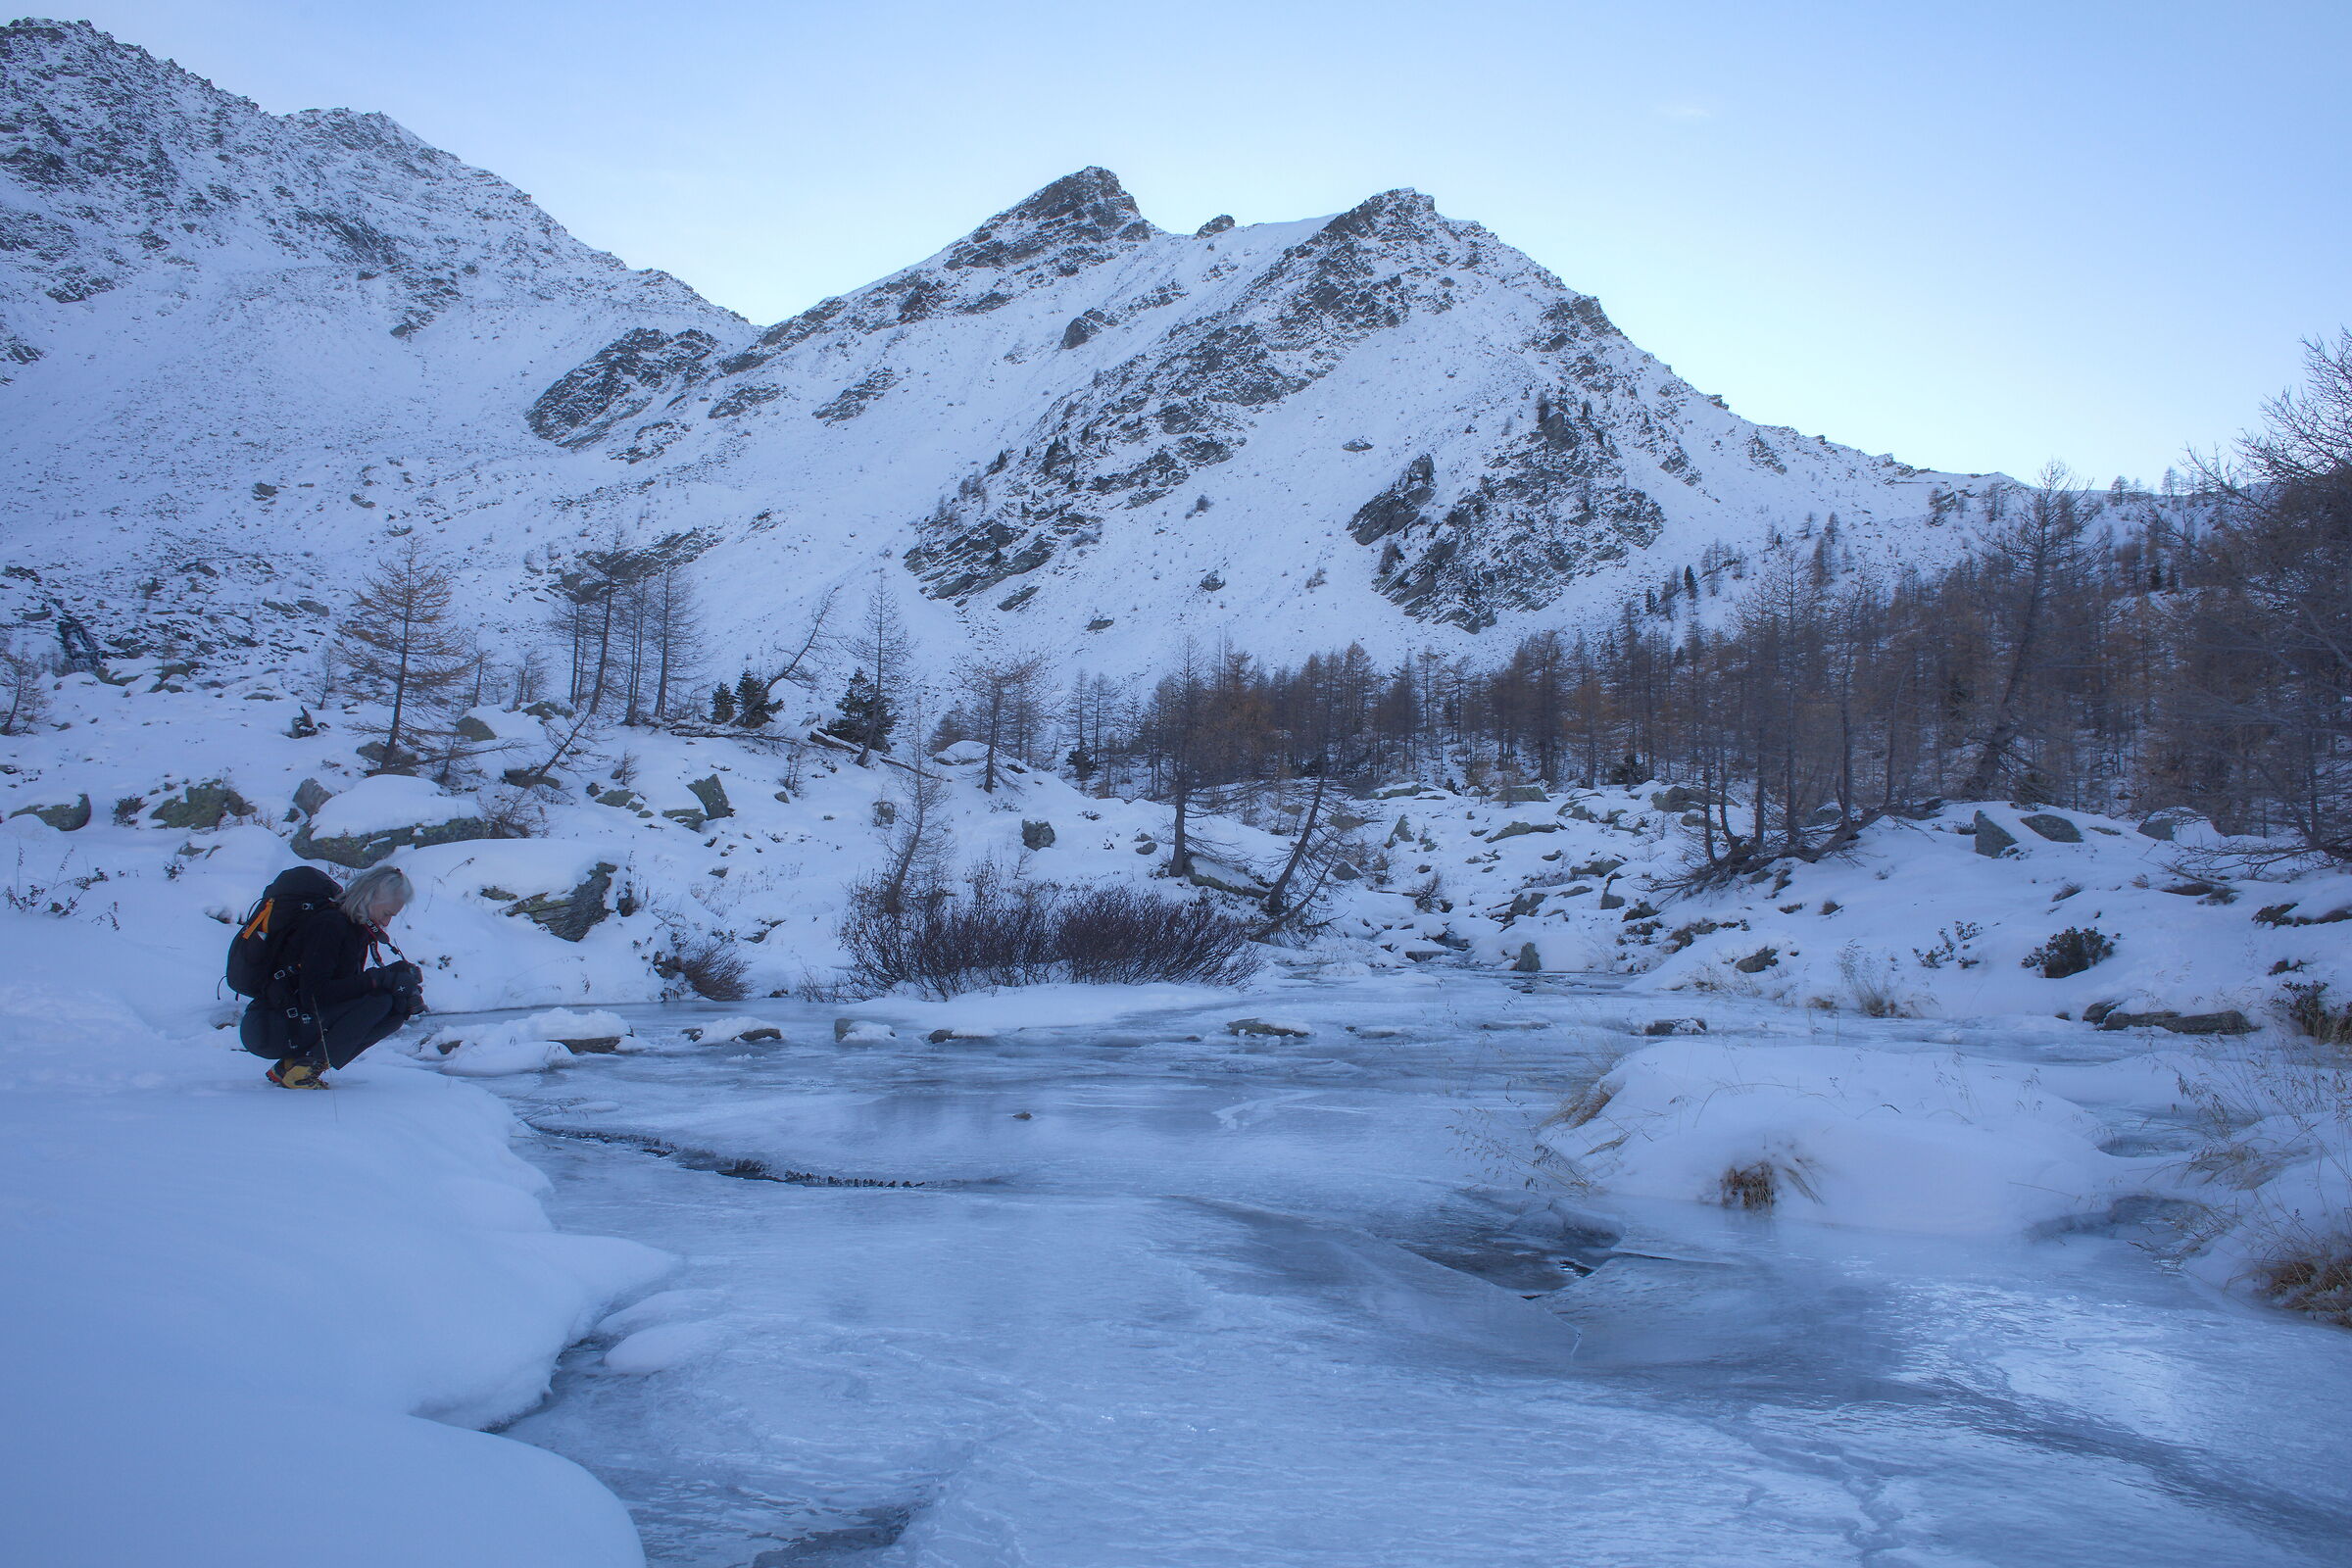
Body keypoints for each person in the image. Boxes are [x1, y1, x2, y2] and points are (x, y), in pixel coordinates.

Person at [241, 863, 427, 1089]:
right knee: (381, 1002)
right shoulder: (329, 925)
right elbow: (315, 995)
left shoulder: (354, 928)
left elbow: (345, 989)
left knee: (397, 1007)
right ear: (370, 897)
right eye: (387, 914)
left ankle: (291, 1066)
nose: (387, 923)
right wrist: (380, 979)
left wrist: (394, 974)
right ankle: (302, 1072)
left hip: (290, 1022)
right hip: (270, 1027)